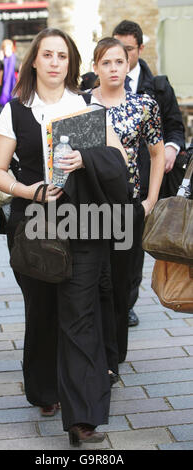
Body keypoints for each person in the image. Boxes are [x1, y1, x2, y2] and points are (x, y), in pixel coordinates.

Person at [0, 28, 129, 446]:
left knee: (80, 316)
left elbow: (118, 159)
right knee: (44, 311)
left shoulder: (86, 107)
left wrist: (86, 157)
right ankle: (45, 389)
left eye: (62, 56)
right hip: (33, 227)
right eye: (47, 55)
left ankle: (82, 417)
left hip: (83, 225)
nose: (54, 62)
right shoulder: (14, 111)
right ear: (34, 61)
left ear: (71, 64)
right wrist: (30, 191)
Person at [87, 37, 165, 363]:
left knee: (120, 286)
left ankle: (113, 358)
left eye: (119, 61)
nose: (113, 68)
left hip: (127, 207)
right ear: (95, 67)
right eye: (106, 62)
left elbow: (158, 154)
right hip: (88, 208)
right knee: (90, 283)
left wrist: (149, 202)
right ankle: (90, 353)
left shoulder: (143, 105)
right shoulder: (80, 104)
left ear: (128, 64)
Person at [112, 20, 185, 326]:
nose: (123, 56)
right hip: (110, 184)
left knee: (133, 251)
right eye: (117, 48)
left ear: (140, 49)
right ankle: (111, 301)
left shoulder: (158, 87)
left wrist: (170, 148)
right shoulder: (97, 83)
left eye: (128, 49)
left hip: (145, 182)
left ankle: (126, 304)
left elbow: (175, 128)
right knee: (113, 245)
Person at [0, 39, 19, 116]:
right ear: (3, 49)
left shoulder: (15, 58)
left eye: (9, 48)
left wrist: (11, 57)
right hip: (1, 92)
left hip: (13, 90)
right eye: (5, 48)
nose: (7, 50)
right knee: (0, 113)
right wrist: (1, 60)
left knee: (14, 113)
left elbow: (18, 68)